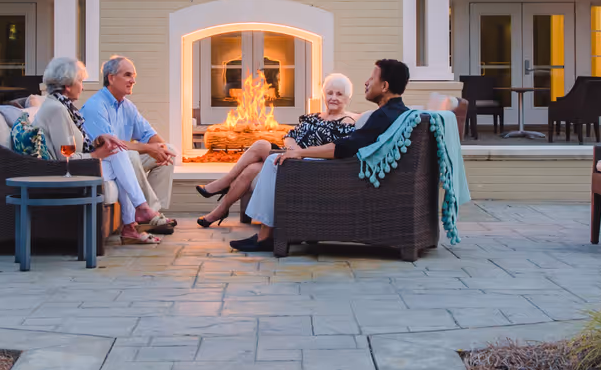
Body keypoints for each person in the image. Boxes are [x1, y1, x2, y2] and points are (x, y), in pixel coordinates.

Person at [230, 58, 412, 253]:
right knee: (275, 158)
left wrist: (299, 152)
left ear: (384, 86)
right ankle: (274, 231)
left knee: (274, 162)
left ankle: (265, 236)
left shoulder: (382, 116)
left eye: (371, 78)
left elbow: (343, 148)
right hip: (354, 174)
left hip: (342, 177)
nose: (366, 82)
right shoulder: (399, 113)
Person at [28, 56, 164, 245]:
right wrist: (95, 155)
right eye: (80, 81)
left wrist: (100, 140)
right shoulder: (57, 110)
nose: (82, 87)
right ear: (67, 85)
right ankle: (138, 214)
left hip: (73, 167)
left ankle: (133, 221)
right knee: (117, 155)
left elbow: (77, 143)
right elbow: (65, 158)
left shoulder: (62, 106)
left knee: (117, 152)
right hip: (63, 172)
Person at [196, 72, 359, 228]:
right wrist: (292, 148)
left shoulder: (347, 122)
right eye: (329, 93)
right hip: (290, 156)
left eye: (339, 94)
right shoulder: (313, 117)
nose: (333, 98)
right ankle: (220, 210)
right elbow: (290, 135)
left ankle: (225, 183)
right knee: (252, 168)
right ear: (324, 94)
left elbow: (335, 150)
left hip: (310, 164)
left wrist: (300, 153)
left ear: (348, 98)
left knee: (261, 145)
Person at [80, 55, 178, 235]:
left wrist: (160, 149)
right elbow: (112, 146)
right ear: (111, 78)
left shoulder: (127, 106)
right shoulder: (95, 106)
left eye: (133, 76)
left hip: (124, 160)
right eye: (127, 75)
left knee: (168, 151)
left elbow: (149, 135)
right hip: (105, 163)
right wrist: (150, 149)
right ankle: (149, 211)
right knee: (130, 154)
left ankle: (155, 213)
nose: (133, 80)